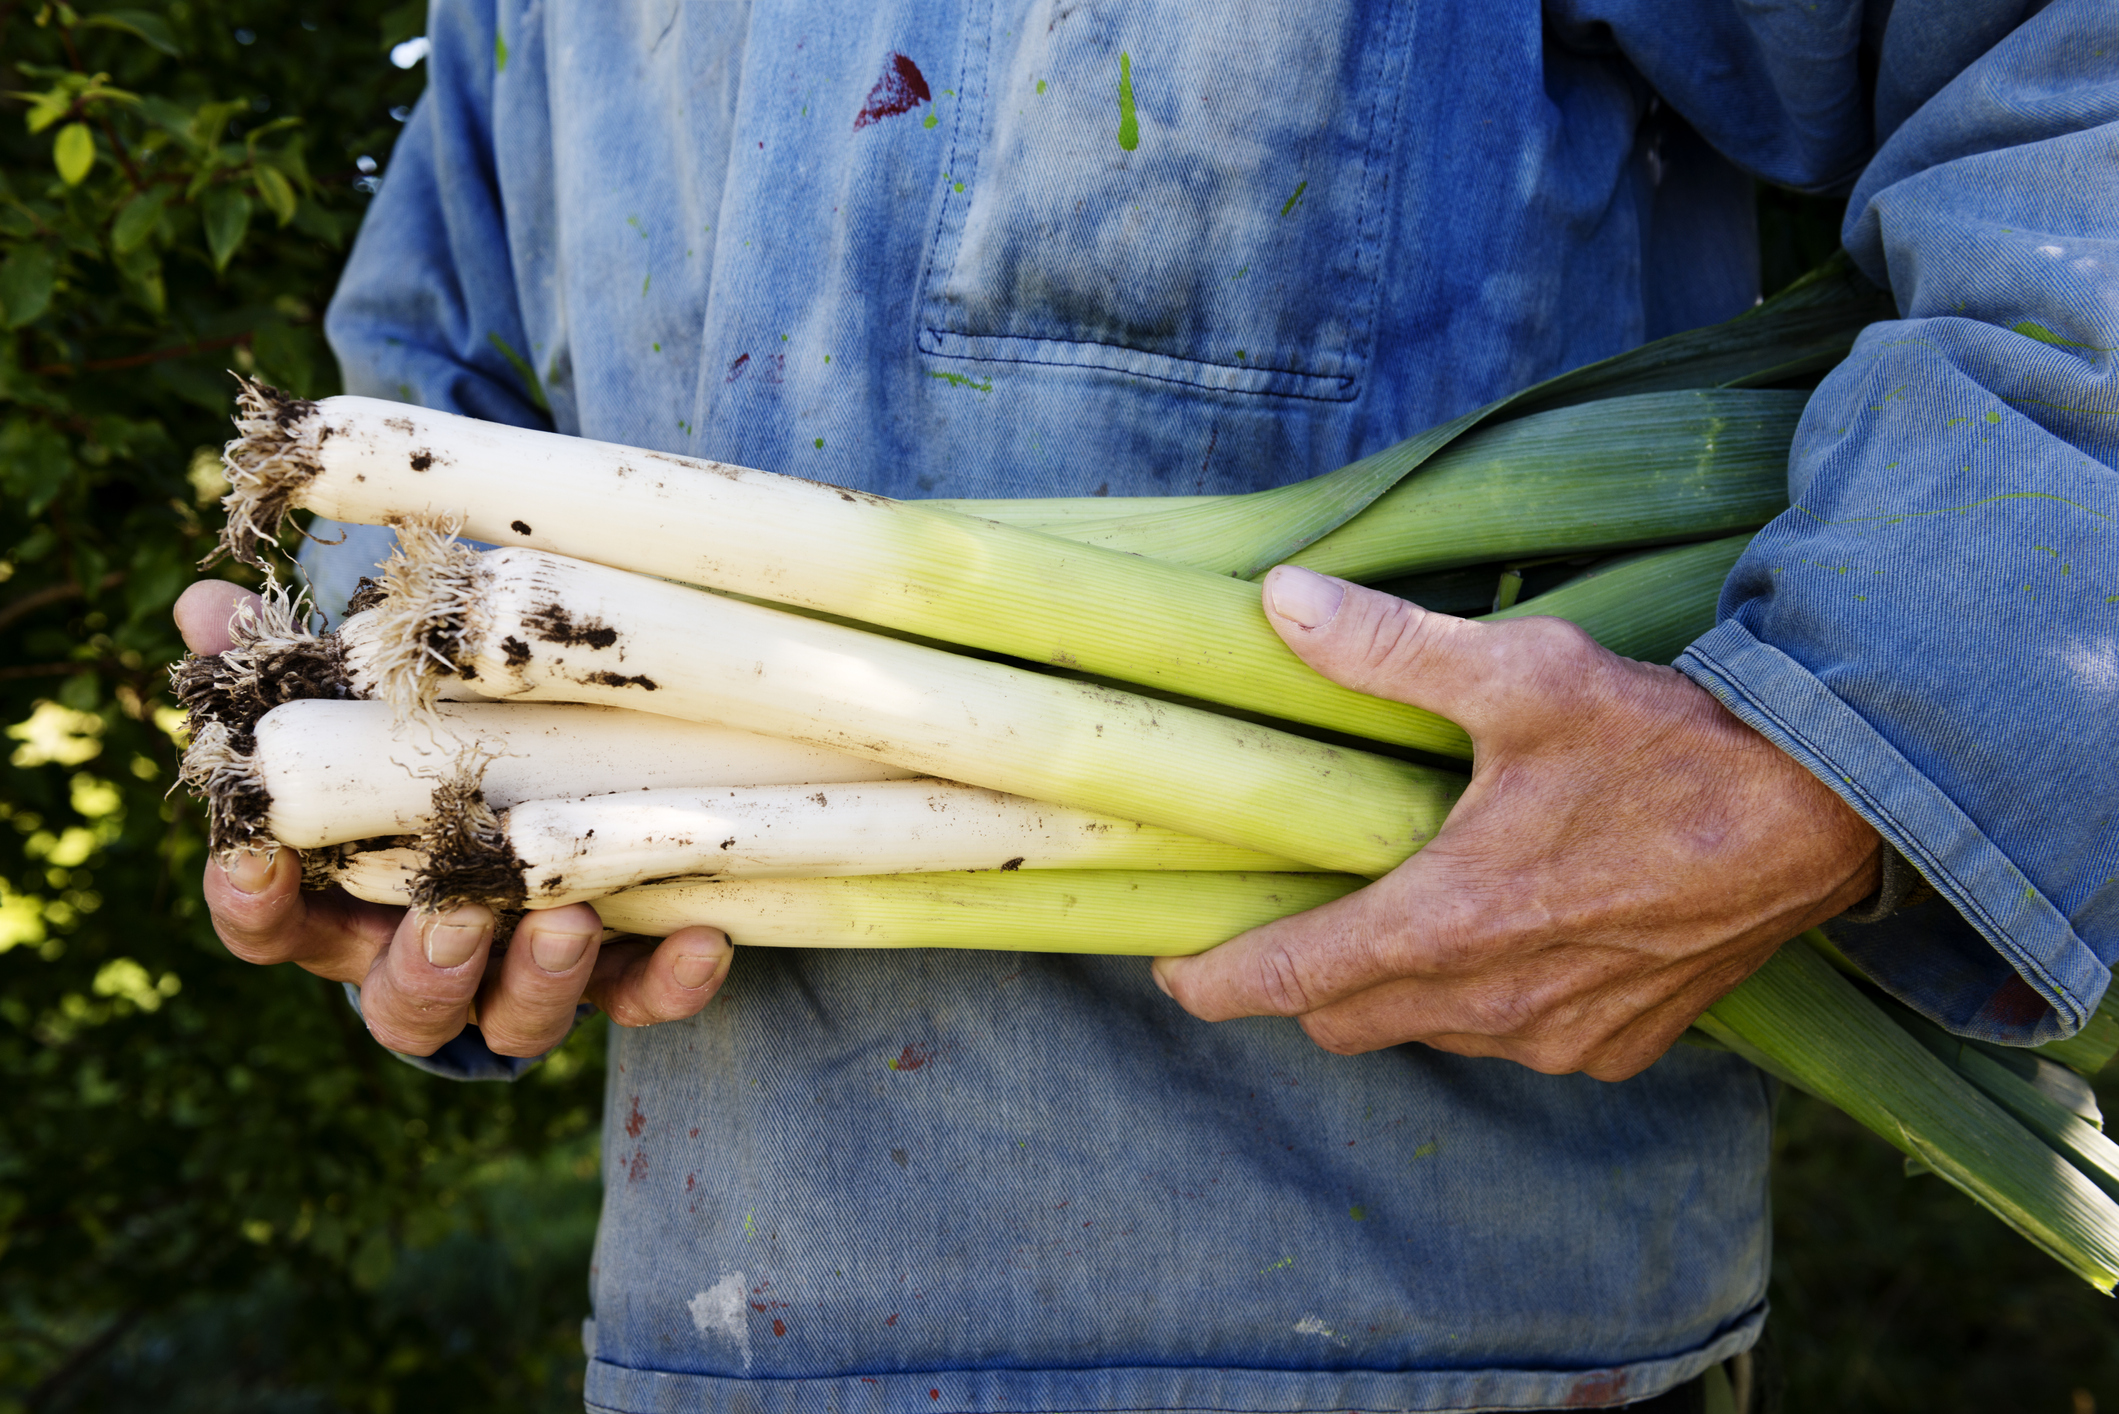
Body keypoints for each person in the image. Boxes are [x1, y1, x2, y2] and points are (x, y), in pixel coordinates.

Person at [174, 1, 2116, 1409]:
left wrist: (1842, 739)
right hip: (716, 1321)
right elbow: (430, 418)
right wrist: (443, 849)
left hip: (1452, 1341)